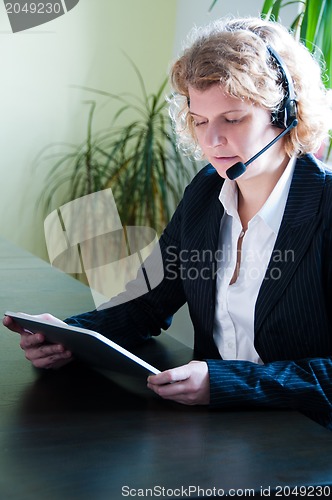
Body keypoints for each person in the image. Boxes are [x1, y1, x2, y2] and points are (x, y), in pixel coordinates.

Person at [4, 17, 332, 428]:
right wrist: (71, 338)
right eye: (199, 120)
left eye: (232, 119)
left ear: (286, 114)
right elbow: (147, 302)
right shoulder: (206, 193)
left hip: (307, 444)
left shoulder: (325, 205)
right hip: (217, 432)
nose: (211, 141)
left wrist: (227, 381)